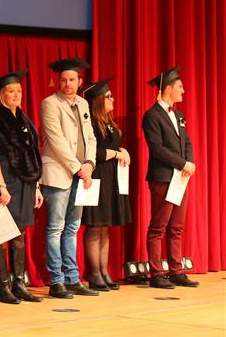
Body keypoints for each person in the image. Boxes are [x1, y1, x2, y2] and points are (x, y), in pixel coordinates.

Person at [0, 69, 44, 304]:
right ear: (1, 94)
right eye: (11, 91)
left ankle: (19, 284)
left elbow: (32, 154)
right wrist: (2, 186)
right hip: (4, 183)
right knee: (1, 235)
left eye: (18, 90)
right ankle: (3, 287)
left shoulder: (24, 120)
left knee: (19, 235)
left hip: (25, 183)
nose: (16, 94)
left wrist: (36, 186)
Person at [40, 57, 99, 299]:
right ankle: (56, 280)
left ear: (79, 81)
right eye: (63, 80)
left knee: (72, 228)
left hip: (81, 173)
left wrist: (90, 164)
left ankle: (72, 278)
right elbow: (56, 141)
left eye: (71, 80)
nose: (67, 84)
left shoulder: (83, 104)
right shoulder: (50, 104)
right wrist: (78, 168)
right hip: (59, 172)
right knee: (56, 227)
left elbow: (91, 137)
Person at [142, 66, 198, 288]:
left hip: (180, 178)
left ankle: (176, 270)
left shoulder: (179, 115)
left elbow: (187, 143)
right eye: (180, 87)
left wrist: (189, 163)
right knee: (159, 226)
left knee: (176, 227)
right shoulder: (152, 116)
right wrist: (182, 163)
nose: (183, 91)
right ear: (167, 89)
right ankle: (156, 272)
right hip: (163, 177)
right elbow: (157, 149)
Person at [80, 78, 132, 291]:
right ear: (98, 100)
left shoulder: (109, 122)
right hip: (97, 176)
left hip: (112, 178)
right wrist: (116, 153)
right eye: (108, 96)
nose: (113, 99)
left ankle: (104, 271)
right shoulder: (91, 122)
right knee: (95, 226)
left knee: (105, 228)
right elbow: (94, 152)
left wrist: (123, 150)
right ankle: (94, 273)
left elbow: (114, 145)